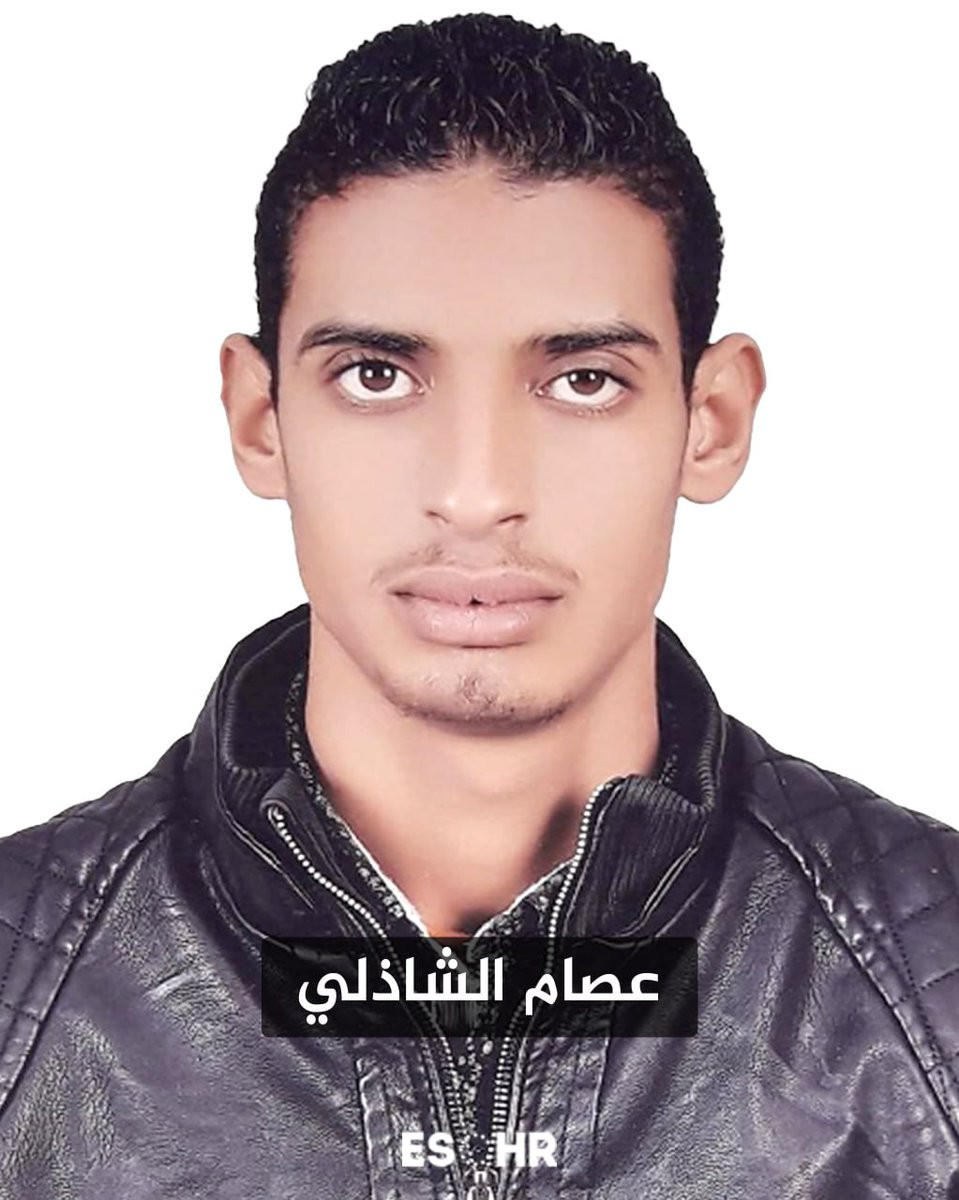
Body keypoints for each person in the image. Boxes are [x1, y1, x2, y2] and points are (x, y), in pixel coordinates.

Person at [0, 13, 956, 1198]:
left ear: (709, 423)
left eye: (582, 380)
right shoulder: (18, 1002)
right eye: (376, 376)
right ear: (259, 419)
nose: (475, 492)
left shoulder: (931, 998)